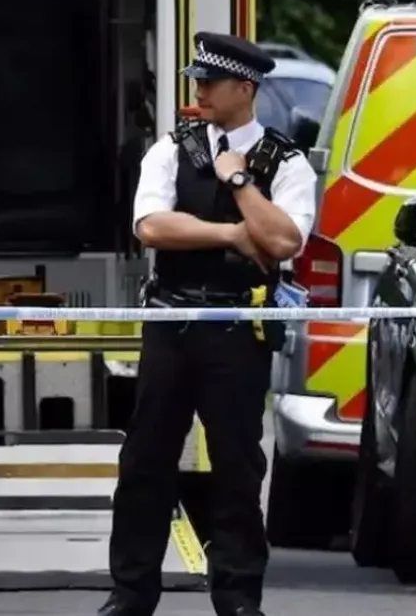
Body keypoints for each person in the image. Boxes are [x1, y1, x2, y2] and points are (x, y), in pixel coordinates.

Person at [101, 32, 319, 616]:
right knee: (147, 459)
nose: (198, 90)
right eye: (197, 80)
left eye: (210, 82)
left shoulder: (286, 162)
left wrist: (240, 181)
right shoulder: (170, 150)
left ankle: (239, 597)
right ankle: (131, 593)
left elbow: (283, 242)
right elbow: (150, 227)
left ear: (243, 89)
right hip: (171, 320)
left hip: (237, 329)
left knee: (237, 466)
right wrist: (229, 233)